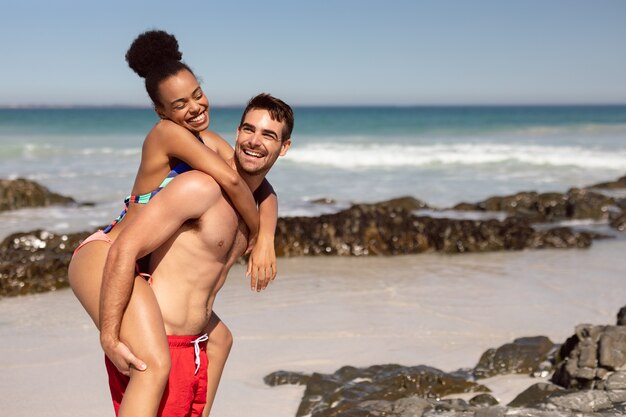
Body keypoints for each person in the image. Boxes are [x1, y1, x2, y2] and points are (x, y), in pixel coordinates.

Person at [68, 30, 278, 417]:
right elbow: (232, 182)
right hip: (106, 253)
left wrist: (267, 236)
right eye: (180, 104)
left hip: (136, 262)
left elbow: (261, 188)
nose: (195, 107)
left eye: (197, 93)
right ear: (163, 112)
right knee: (154, 365)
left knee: (220, 340)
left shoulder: (204, 139)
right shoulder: (168, 134)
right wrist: (250, 238)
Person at [100, 93, 293, 416]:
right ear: (236, 132)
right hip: (157, 345)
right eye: (249, 130)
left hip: (195, 347)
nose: (254, 141)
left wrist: (265, 236)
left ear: (283, 147)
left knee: (224, 340)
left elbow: (267, 194)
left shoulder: (258, 205)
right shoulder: (199, 188)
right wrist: (110, 333)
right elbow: (122, 248)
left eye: (268, 135)